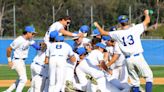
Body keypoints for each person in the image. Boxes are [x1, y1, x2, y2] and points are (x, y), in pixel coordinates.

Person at [94, 10, 153, 92]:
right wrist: (146, 13)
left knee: (135, 83)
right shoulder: (135, 29)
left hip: (128, 60)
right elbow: (147, 21)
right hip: (138, 57)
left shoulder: (117, 33)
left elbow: (103, 33)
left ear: (120, 23)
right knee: (149, 77)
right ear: (128, 21)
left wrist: (97, 25)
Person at [5, 26, 37, 92]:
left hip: (22, 61)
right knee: (23, 79)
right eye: (32, 33)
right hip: (17, 60)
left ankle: (7, 91)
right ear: (27, 33)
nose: (33, 35)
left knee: (20, 79)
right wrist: (9, 61)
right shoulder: (19, 40)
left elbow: (37, 47)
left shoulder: (30, 40)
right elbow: (8, 49)